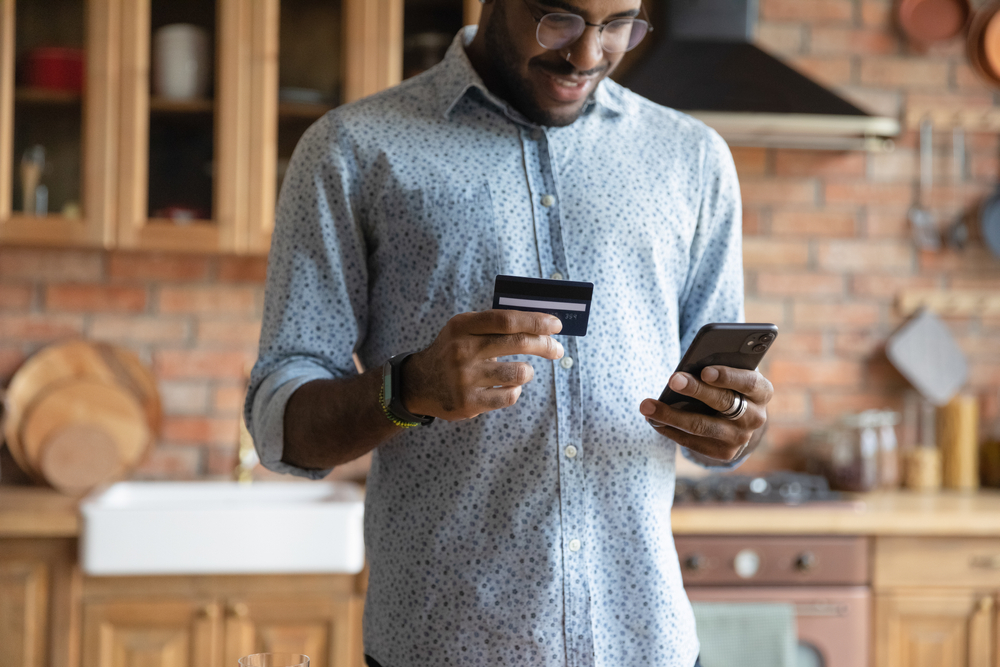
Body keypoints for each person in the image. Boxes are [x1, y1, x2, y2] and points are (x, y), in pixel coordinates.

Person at [245, 0, 774, 665]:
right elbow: (278, 423)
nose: (588, 55)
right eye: (559, 17)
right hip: (444, 648)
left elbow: (717, 414)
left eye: (618, 24)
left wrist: (731, 425)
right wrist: (406, 389)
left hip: (647, 642)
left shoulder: (693, 161)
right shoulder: (353, 150)